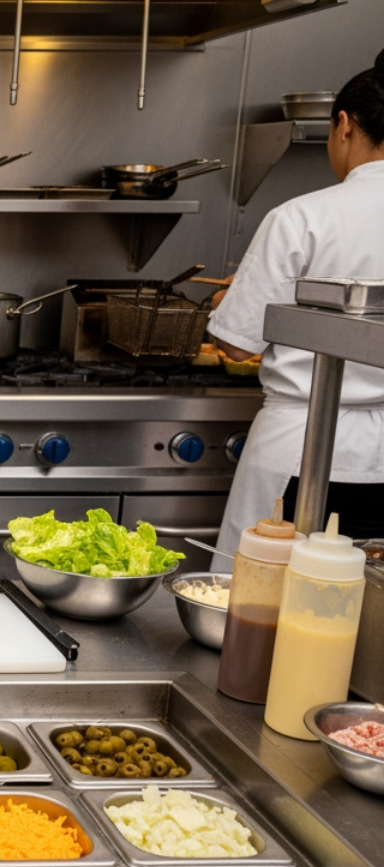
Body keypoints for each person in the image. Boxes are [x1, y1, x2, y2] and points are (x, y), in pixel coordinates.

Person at [209, 47, 384, 558]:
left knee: (261, 603)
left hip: (300, 448)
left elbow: (235, 345)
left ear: (344, 125)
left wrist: (234, 296)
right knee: (358, 610)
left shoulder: (302, 217)